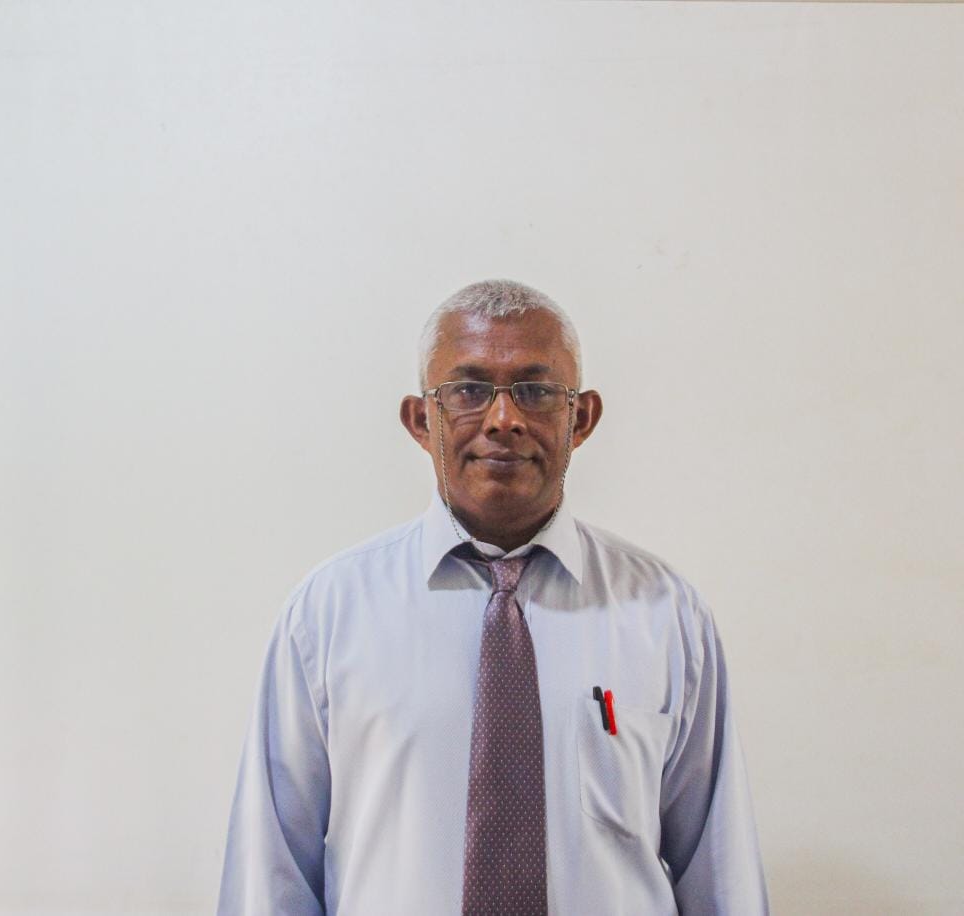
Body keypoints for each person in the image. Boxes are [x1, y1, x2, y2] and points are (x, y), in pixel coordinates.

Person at [217, 280, 769, 915]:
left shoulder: (664, 613)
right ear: (420, 420)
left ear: (581, 418)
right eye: (468, 391)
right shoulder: (328, 614)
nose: (504, 420)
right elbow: (271, 874)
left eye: (536, 391)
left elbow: (720, 875)